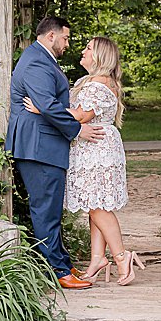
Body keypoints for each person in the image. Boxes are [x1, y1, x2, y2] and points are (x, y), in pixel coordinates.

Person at [23, 35, 146, 285]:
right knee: (95, 203)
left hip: (97, 149)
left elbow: (80, 115)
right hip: (92, 147)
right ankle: (97, 258)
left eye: (88, 48)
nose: (83, 51)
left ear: (99, 56)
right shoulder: (90, 82)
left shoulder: (98, 85)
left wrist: (42, 108)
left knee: (98, 206)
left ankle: (122, 256)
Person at [6, 16, 106, 290]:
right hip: (39, 146)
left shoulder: (40, 57)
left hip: (43, 145)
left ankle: (62, 261)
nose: (68, 43)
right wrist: (77, 130)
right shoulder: (37, 61)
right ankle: (58, 271)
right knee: (45, 210)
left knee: (50, 209)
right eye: (66, 38)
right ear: (51, 36)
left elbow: (47, 105)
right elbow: (48, 105)